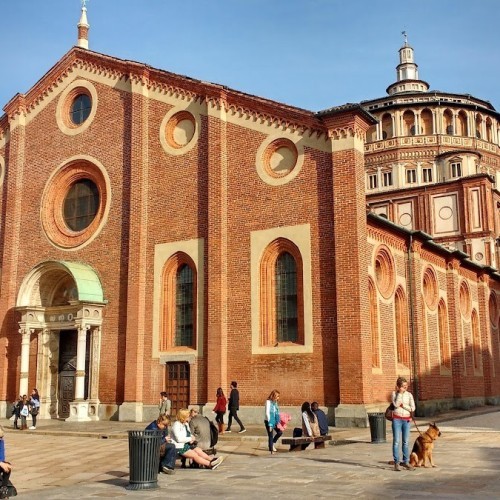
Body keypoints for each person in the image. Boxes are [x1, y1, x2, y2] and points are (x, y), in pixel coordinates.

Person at [391, 376, 416, 472]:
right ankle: (396, 462)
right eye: (403, 386)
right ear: (398, 386)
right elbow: (396, 405)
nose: (405, 388)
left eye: (406, 386)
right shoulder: (394, 394)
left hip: (406, 420)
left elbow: (412, 408)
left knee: (405, 441)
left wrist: (404, 405)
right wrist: (400, 394)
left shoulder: (409, 395)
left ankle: (406, 461)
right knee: (396, 441)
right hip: (397, 419)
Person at [264, 390, 282, 454]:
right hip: (269, 421)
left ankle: (272, 443)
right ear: (274, 396)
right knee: (270, 435)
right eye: (277, 396)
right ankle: (271, 448)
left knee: (280, 432)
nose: (278, 398)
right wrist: (270, 423)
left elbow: (276, 412)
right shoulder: (268, 402)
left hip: (274, 420)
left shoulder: (275, 402)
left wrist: (278, 420)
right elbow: (267, 413)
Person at [0, 426, 13, 494]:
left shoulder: (1, 441)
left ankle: (3, 487)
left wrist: (3, 464)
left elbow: (2, 457)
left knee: (7, 466)